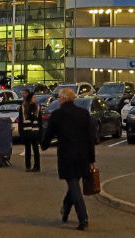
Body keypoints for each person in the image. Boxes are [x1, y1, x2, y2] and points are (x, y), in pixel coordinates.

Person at [41, 89, 95, 231]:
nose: (58, 100)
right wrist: (91, 159)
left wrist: (44, 145)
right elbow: (90, 138)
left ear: (63, 99)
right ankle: (65, 208)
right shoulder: (83, 114)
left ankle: (83, 218)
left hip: (67, 156)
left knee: (74, 186)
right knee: (74, 184)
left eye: (59, 98)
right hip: (83, 156)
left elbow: (49, 134)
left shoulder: (57, 115)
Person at [19, 88, 42, 172]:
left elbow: (40, 120)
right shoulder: (23, 107)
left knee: (36, 150)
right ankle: (28, 166)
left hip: (35, 131)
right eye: (33, 98)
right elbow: (21, 120)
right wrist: (21, 132)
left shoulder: (37, 107)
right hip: (27, 131)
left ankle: (37, 166)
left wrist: (40, 132)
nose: (35, 99)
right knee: (28, 150)